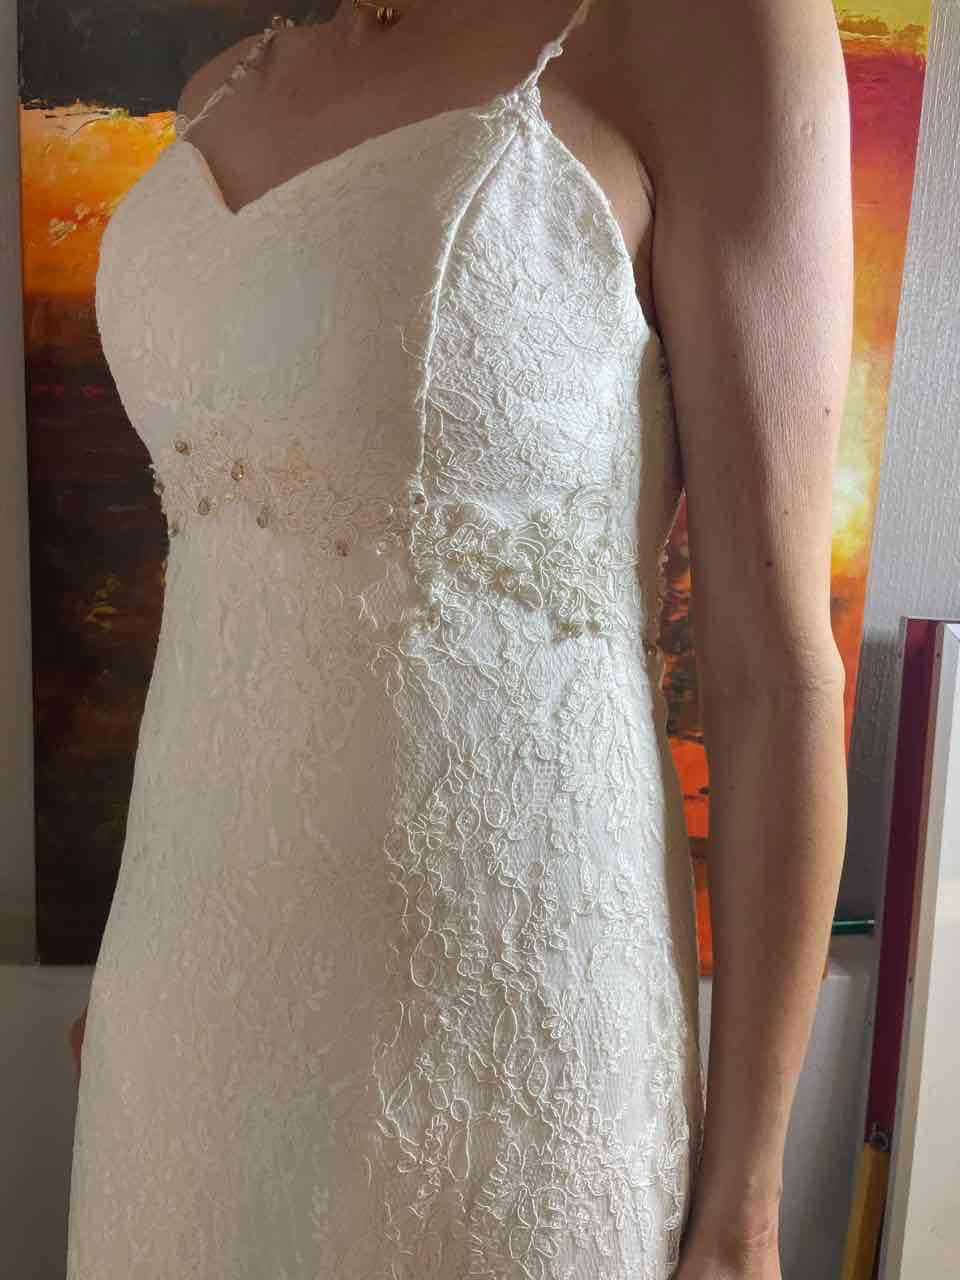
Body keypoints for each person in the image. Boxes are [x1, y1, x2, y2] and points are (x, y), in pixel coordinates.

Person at [67, 2, 852, 1277]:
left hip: (502, 1058)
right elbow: (234, 598)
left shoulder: (710, 29)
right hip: (183, 1027)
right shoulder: (229, 81)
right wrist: (141, 958)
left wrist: (744, 1217)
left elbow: (774, 676)